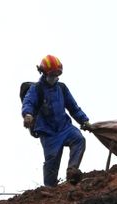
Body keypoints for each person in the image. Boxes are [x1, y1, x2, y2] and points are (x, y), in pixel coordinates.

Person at [21, 54, 93, 187]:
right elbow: (28, 102)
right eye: (52, 74)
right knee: (52, 163)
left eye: (57, 74)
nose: (54, 77)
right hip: (48, 133)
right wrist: (28, 115)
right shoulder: (36, 89)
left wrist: (84, 121)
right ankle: (50, 190)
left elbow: (73, 107)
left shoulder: (62, 88)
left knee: (79, 139)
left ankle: (72, 171)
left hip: (65, 128)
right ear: (44, 73)